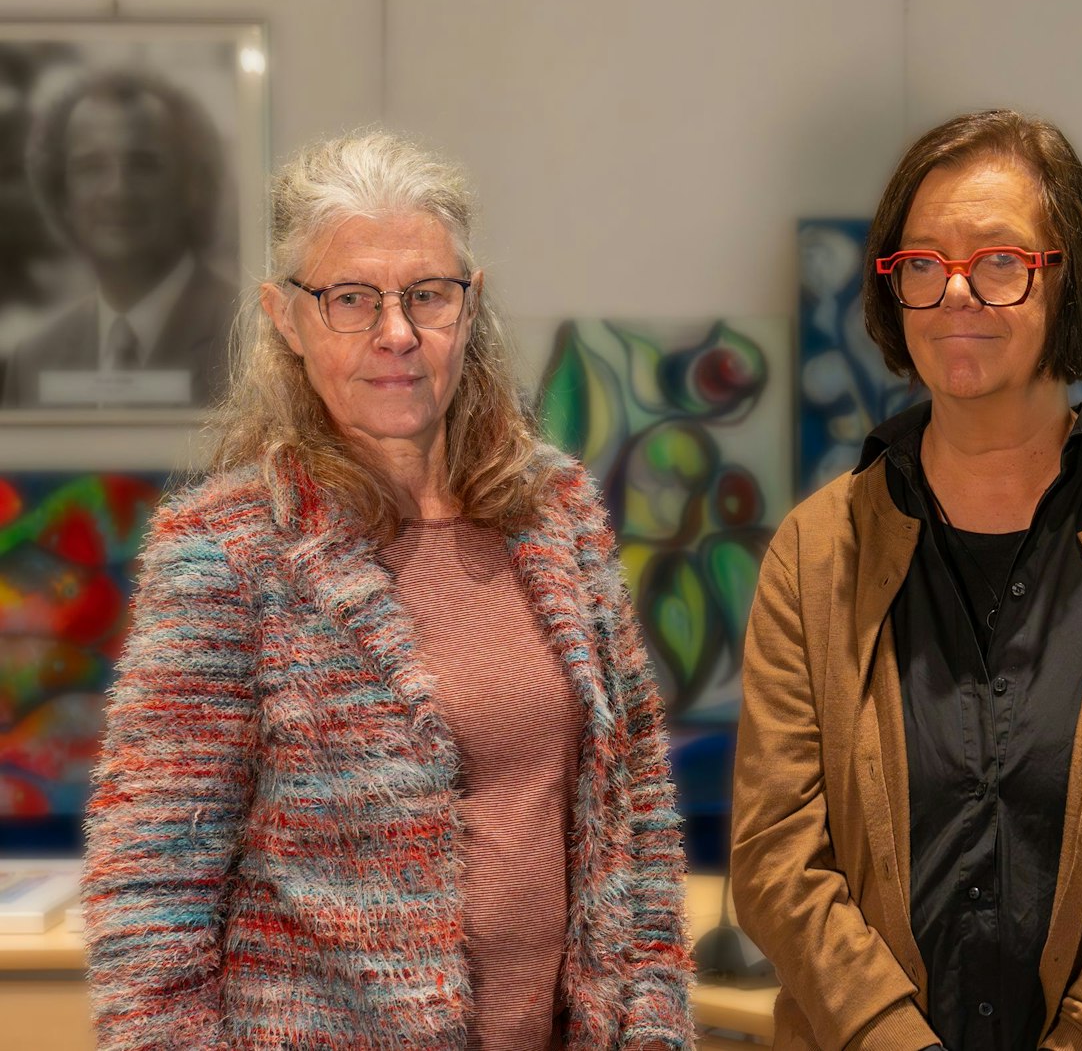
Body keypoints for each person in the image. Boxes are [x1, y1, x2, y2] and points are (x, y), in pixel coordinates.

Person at [81, 131, 693, 1050]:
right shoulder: (226, 552)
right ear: (287, 319)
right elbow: (149, 900)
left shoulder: (556, 513)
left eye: (427, 295)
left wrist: (654, 1028)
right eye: (351, 299)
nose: (397, 333)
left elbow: (637, 815)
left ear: (469, 305)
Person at [732, 109, 1082, 1051]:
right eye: (922, 265)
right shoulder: (816, 551)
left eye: (998, 261)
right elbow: (777, 853)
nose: (955, 292)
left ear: (1069, 278)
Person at [5, 68, 235, 407]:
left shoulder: (251, 339)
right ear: (62, 195)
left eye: (143, 165)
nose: (117, 191)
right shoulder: (32, 361)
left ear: (191, 186)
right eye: (91, 167)